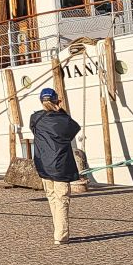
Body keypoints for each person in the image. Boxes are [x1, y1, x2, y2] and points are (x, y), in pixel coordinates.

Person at [30, 88, 82, 244]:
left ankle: (58, 231)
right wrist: (62, 112)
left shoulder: (35, 118)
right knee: (62, 199)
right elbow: (75, 128)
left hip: (44, 164)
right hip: (60, 166)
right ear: (57, 102)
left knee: (52, 198)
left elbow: (35, 130)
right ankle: (61, 236)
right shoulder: (64, 120)